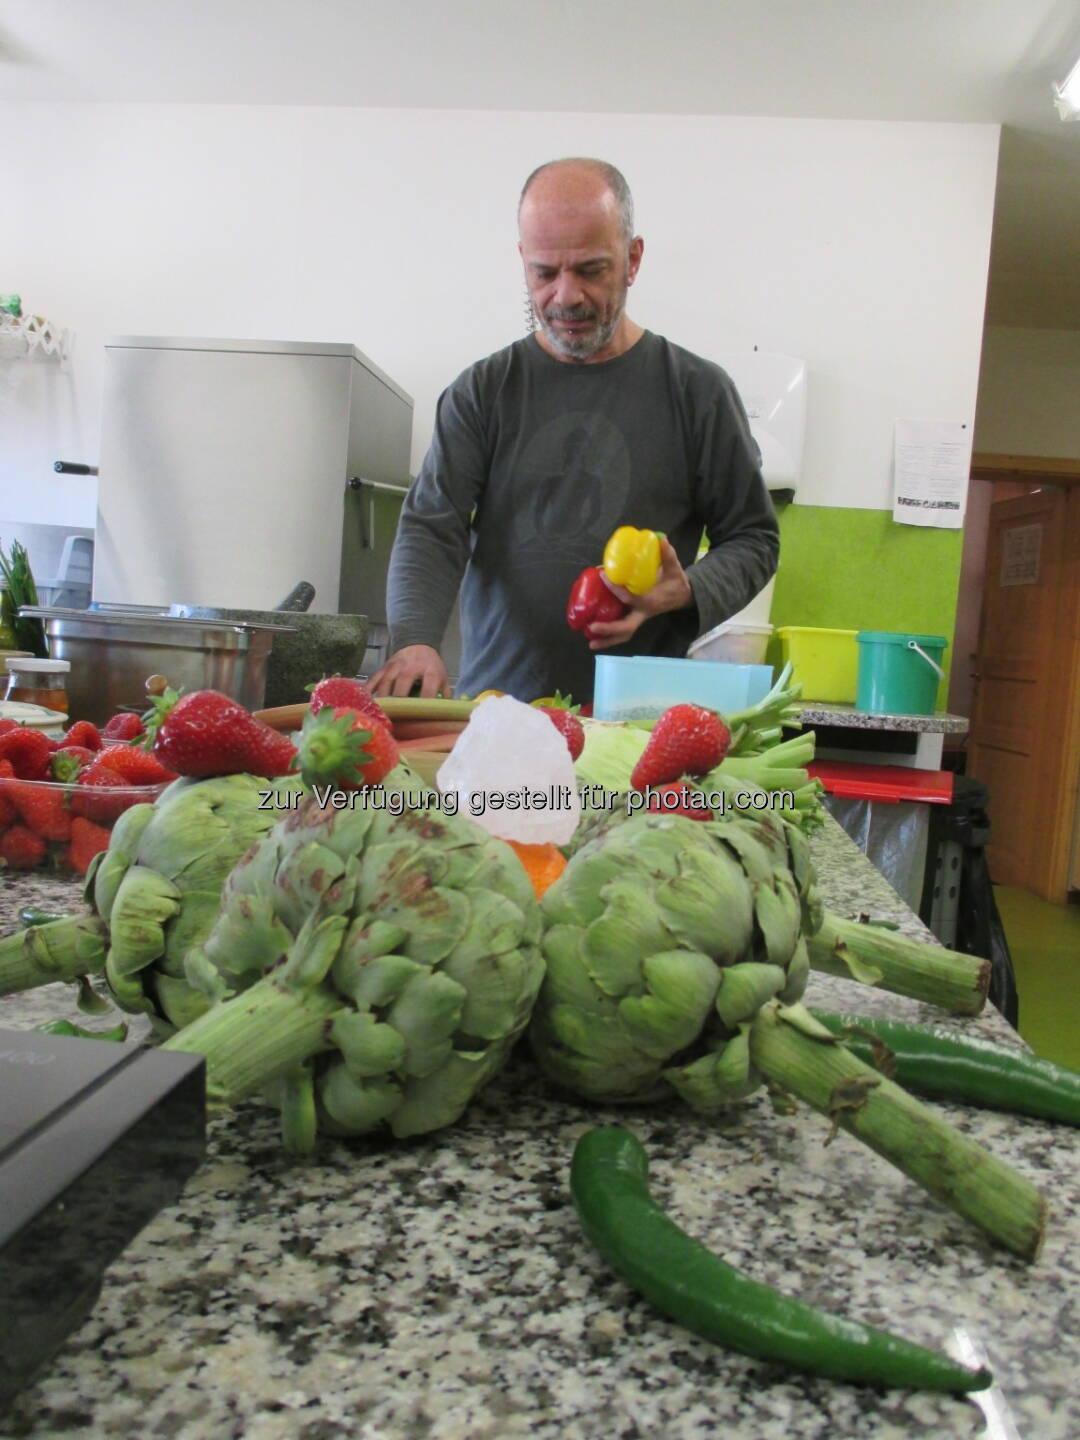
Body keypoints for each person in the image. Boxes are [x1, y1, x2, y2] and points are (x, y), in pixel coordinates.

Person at [370, 157, 779, 704]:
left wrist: (690, 590)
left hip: (638, 722)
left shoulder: (698, 392)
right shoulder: (483, 391)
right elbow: (431, 526)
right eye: (544, 272)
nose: (565, 296)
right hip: (498, 714)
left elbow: (754, 537)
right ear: (523, 262)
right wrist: (416, 639)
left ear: (632, 259)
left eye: (591, 269)